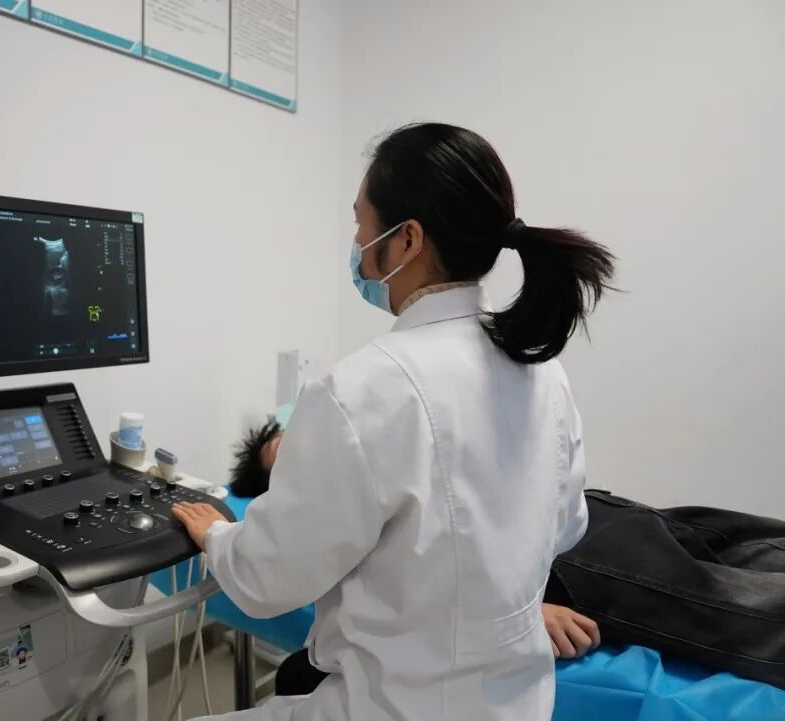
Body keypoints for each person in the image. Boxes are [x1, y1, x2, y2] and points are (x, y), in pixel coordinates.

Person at [172, 122, 614, 721]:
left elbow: (267, 580)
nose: (357, 243)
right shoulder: (542, 370)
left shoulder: (363, 388)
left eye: (360, 222)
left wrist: (218, 536)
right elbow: (566, 525)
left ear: (406, 239)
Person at [232, 419, 785, 692]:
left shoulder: (386, 449)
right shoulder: (342, 525)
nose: (310, 444)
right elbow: (415, 576)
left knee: (752, 550)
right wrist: (518, 607)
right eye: (290, 454)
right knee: (748, 613)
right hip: (568, 555)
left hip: (587, 516)